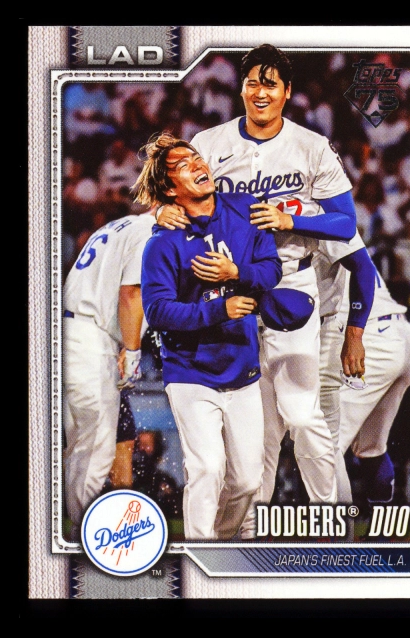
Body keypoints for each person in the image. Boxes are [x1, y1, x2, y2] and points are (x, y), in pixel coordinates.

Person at [156, 44, 365, 538]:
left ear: (287, 91)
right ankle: (243, 540)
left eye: (270, 83)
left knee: (301, 414)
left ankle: (330, 525)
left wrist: (292, 220)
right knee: (262, 434)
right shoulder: (210, 142)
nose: (260, 92)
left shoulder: (311, 145)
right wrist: (161, 211)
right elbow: (176, 190)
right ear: (241, 88)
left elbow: (346, 223)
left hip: (289, 283)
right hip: (227, 288)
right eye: (252, 82)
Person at [135, 132, 283, 540]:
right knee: (206, 468)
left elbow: (271, 269)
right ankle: (201, 552)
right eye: (183, 166)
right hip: (189, 371)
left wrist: (236, 273)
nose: (197, 165)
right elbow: (157, 312)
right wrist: (219, 309)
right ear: (169, 189)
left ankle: (221, 541)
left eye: (196, 158)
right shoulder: (162, 243)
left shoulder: (245, 209)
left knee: (248, 480)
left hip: (242, 365)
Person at [62, 206, 155, 542]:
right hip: (92, 339)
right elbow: (132, 294)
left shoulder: (118, 225)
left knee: (80, 449)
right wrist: (132, 349)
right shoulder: (148, 232)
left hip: (73, 332)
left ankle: (78, 533)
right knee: (97, 451)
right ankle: (84, 541)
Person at [315, 232, 410, 517]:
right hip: (401, 334)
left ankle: (335, 533)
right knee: (371, 448)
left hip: (372, 340)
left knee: (325, 445)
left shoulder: (314, 234)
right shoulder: (338, 232)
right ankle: (381, 533)